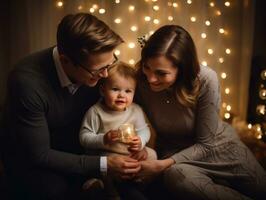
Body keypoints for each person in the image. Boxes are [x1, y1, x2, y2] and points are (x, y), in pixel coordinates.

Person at [2, 13, 143, 200]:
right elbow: (39, 154)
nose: (106, 74)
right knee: (54, 190)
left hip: (82, 150)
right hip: (38, 159)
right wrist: (103, 164)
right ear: (66, 61)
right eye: (98, 70)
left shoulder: (97, 67)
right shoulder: (27, 82)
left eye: (111, 62)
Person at [135, 25, 266, 200]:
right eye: (147, 67)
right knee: (177, 178)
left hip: (220, 149)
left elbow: (206, 144)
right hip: (175, 157)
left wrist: (160, 166)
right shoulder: (139, 81)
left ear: (182, 69)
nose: (151, 78)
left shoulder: (205, 79)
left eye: (161, 73)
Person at [79, 62, 157, 199]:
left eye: (128, 91)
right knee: (103, 163)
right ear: (103, 90)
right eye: (115, 89)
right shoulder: (96, 112)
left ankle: (139, 182)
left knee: (152, 155)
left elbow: (144, 130)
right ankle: (107, 190)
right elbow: (84, 137)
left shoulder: (135, 110)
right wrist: (103, 139)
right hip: (108, 154)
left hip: (130, 153)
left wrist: (141, 142)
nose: (122, 95)